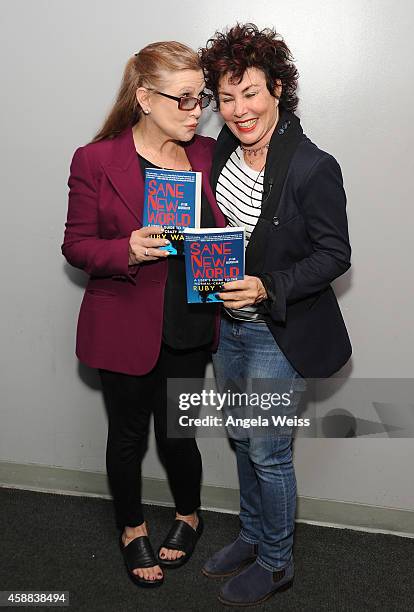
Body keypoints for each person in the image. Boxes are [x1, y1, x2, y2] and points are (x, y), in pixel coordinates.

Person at [62, 41, 225, 588]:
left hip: (190, 323)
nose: (195, 110)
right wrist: (126, 250)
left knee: (179, 433)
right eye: (183, 98)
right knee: (128, 435)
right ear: (144, 97)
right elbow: (77, 245)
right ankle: (132, 529)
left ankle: (188, 514)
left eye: (199, 98)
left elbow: (234, 224)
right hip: (124, 324)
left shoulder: (207, 155)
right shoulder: (96, 159)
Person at [200, 23, 351, 606]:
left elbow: (335, 255)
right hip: (225, 328)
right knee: (242, 439)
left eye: (251, 93)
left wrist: (267, 286)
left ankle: (276, 560)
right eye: (227, 97)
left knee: (268, 450)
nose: (239, 109)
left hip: (275, 334)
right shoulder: (217, 152)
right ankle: (252, 534)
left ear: (279, 89)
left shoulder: (313, 166)